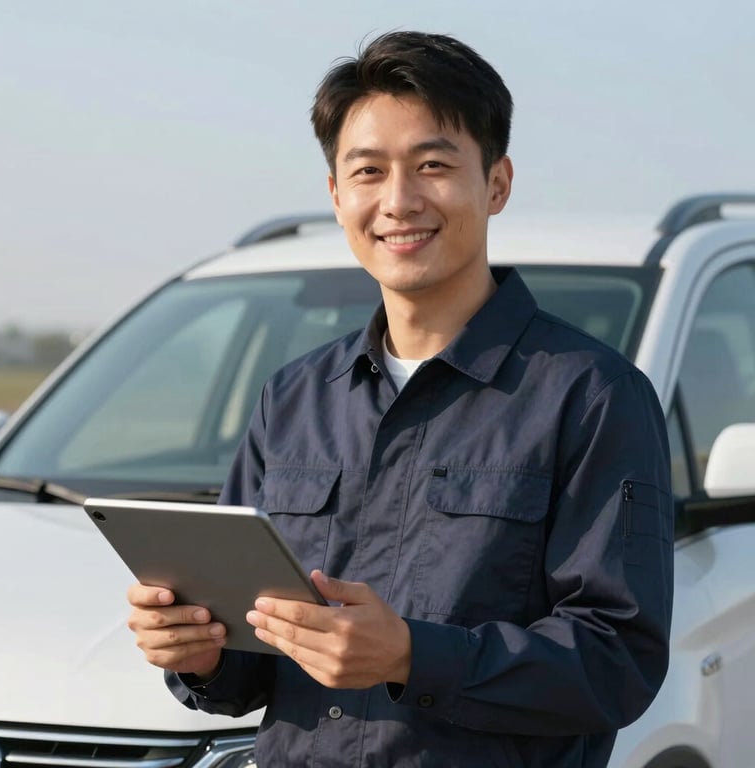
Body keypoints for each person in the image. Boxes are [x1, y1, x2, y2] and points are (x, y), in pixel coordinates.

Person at [127, 30, 673, 767]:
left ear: (498, 183)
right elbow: (250, 668)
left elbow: (617, 662)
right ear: (336, 195)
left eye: (434, 165)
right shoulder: (292, 400)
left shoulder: (592, 395)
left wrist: (413, 656)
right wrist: (197, 653)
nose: (399, 201)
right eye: (369, 171)